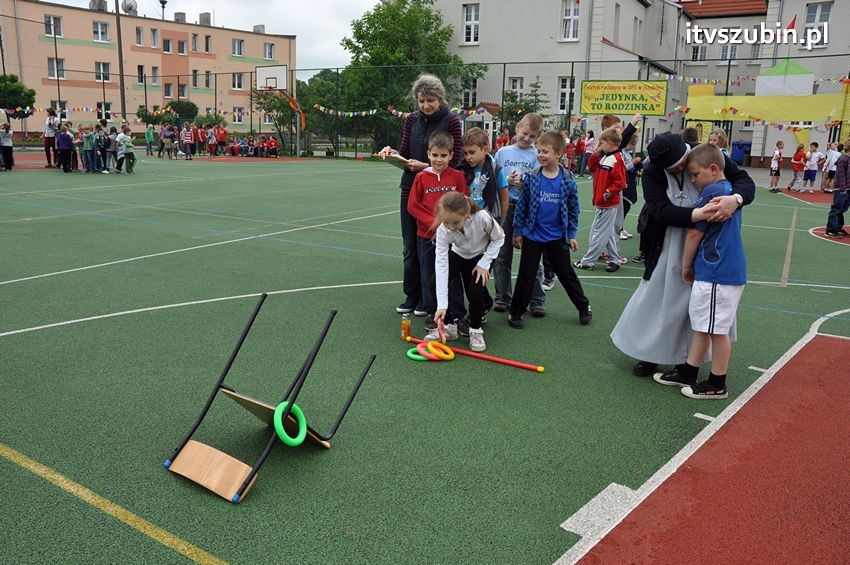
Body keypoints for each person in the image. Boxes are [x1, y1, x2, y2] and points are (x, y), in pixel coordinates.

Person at [611, 132, 755, 378]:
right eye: (673, 168)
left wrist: (735, 199)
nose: (680, 171)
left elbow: (744, 181)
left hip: (707, 243)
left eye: (682, 165)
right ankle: (651, 353)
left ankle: (688, 362)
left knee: (696, 304)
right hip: (670, 240)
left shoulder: (706, 153)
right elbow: (658, 209)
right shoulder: (654, 169)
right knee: (659, 298)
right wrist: (697, 216)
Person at [653, 144, 746, 399]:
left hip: (718, 270)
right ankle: (689, 371)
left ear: (713, 169)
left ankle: (717, 382)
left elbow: (695, 233)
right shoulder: (726, 190)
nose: (692, 180)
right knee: (703, 325)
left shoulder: (713, 191)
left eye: (695, 174)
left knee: (717, 329)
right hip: (715, 269)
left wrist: (685, 265)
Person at [379, 74, 463, 320]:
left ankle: (434, 301)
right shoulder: (411, 121)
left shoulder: (452, 121)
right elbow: (404, 153)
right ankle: (412, 296)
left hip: (440, 194)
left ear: (441, 98)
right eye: (422, 100)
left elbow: (455, 158)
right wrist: (392, 152)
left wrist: (426, 166)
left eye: (431, 100)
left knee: (436, 248)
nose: (426, 105)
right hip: (411, 189)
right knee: (410, 248)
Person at [508, 130, 592, 329]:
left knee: (566, 274)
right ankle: (516, 312)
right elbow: (522, 206)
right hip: (533, 236)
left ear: (559, 153)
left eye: (545, 151)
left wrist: (571, 235)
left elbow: (573, 210)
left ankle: (583, 306)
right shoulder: (532, 177)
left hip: (557, 237)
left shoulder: (568, 179)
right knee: (526, 275)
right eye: (539, 151)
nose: (541, 155)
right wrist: (518, 231)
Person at [405, 131, 467, 334]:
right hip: (426, 235)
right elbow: (413, 206)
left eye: (443, 155)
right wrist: (434, 222)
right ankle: (433, 312)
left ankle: (457, 313)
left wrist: (450, 222)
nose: (439, 160)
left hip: (453, 237)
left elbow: (463, 202)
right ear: (428, 155)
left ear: (451, 155)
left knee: (453, 275)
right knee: (428, 275)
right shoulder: (421, 177)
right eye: (435, 155)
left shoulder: (457, 177)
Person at [431, 192, 505, 351]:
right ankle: (449, 327)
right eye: (446, 222)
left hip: (480, 257)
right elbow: (441, 264)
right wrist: (442, 305)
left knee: (475, 290)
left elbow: (499, 238)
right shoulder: (443, 231)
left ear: (466, 215)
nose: (450, 227)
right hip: (458, 254)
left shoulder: (482, 217)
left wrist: (484, 264)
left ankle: (476, 330)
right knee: (433, 282)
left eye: (455, 222)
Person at [492, 112, 547, 316]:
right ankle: (502, 297)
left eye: (532, 137)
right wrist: (508, 181)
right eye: (525, 133)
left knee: (533, 257)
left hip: (529, 210)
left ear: (538, 137)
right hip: (506, 208)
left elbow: (542, 181)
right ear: (517, 128)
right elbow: (495, 178)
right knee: (502, 255)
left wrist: (526, 184)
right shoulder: (503, 152)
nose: (527, 139)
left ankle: (537, 299)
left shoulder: (537, 155)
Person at [574, 127, 626, 272]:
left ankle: (588, 261)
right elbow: (592, 167)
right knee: (606, 232)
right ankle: (615, 259)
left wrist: (608, 193)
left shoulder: (616, 159)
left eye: (601, 143)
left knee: (599, 233)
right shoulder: (606, 156)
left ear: (609, 143)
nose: (599, 146)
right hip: (601, 202)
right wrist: (596, 153)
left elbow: (620, 182)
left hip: (608, 203)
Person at [458, 127, 509, 225]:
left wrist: (501, 224)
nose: (468, 157)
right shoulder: (462, 170)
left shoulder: (496, 170)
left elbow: (505, 200)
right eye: (465, 153)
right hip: (467, 221)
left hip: (489, 220)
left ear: (485, 150)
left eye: (472, 152)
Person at [825, 139, 850, 238]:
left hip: (848, 188)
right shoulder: (843, 159)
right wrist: (842, 189)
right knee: (836, 208)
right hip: (841, 189)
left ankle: (838, 228)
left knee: (843, 209)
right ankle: (830, 229)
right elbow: (840, 175)